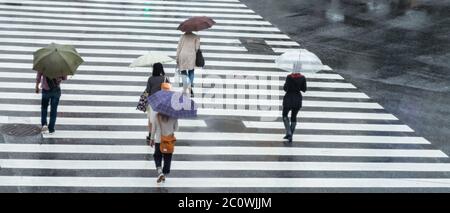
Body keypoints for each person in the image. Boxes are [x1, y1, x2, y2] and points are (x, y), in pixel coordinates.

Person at [145, 63, 169, 145]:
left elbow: (147, 91)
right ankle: (162, 135)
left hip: (152, 102)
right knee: (161, 119)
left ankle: (150, 135)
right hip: (162, 102)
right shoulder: (165, 78)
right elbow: (169, 88)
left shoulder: (150, 79)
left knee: (150, 120)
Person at [150, 113, 179, 183]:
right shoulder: (174, 116)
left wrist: (151, 138)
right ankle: (164, 174)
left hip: (159, 141)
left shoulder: (156, 116)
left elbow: (153, 128)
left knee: (157, 156)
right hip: (169, 141)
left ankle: (160, 172)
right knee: (168, 158)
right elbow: (176, 129)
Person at [282, 64, 307, 143]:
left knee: (284, 115)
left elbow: (285, 89)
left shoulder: (289, 77)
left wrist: (285, 85)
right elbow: (304, 89)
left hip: (289, 98)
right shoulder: (303, 77)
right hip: (297, 99)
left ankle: (288, 132)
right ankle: (290, 134)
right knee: (294, 116)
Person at [176, 31, 200, 97]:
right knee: (191, 71)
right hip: (191, 56)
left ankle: (185, 89)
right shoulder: (196, 37)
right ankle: (190, 88)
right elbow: (197, 48)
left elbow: (178, 48)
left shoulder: (182, 36)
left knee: (183, 72)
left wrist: (177, 58)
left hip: (182, 55)